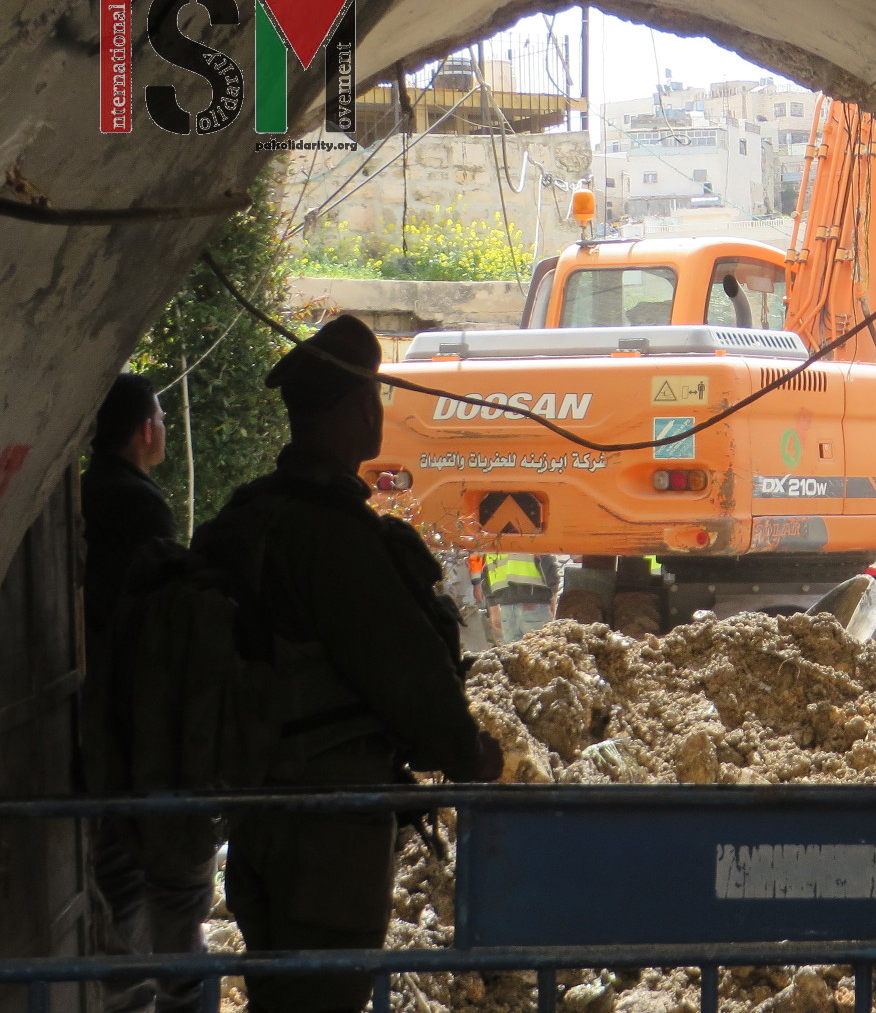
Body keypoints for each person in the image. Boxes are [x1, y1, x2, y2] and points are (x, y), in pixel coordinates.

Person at [193, 315, 501, 1012]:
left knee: (282, 995)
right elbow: (405, 671)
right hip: (326, 827)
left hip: (254, 811)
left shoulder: (248, 516)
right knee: (325, 998)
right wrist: (465, 752)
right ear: (364, 407)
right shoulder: (334, 537)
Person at [81, 373, 210, 1013]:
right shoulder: (137, 503)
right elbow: (159, 619)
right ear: (146, 431)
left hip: (96, 709)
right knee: (154, 872)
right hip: (138, 712)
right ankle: (162, 998)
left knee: (111, 866)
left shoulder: (88, 492)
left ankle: (125, 996)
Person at [485, 552, 557, 643]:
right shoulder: (532, 538)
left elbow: (486, 573)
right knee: (539, 651)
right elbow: (549, 567)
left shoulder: (494, 540)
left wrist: (493, 609)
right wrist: (553, 599)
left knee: (513, 654)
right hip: (534, 604)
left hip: (506, 609)